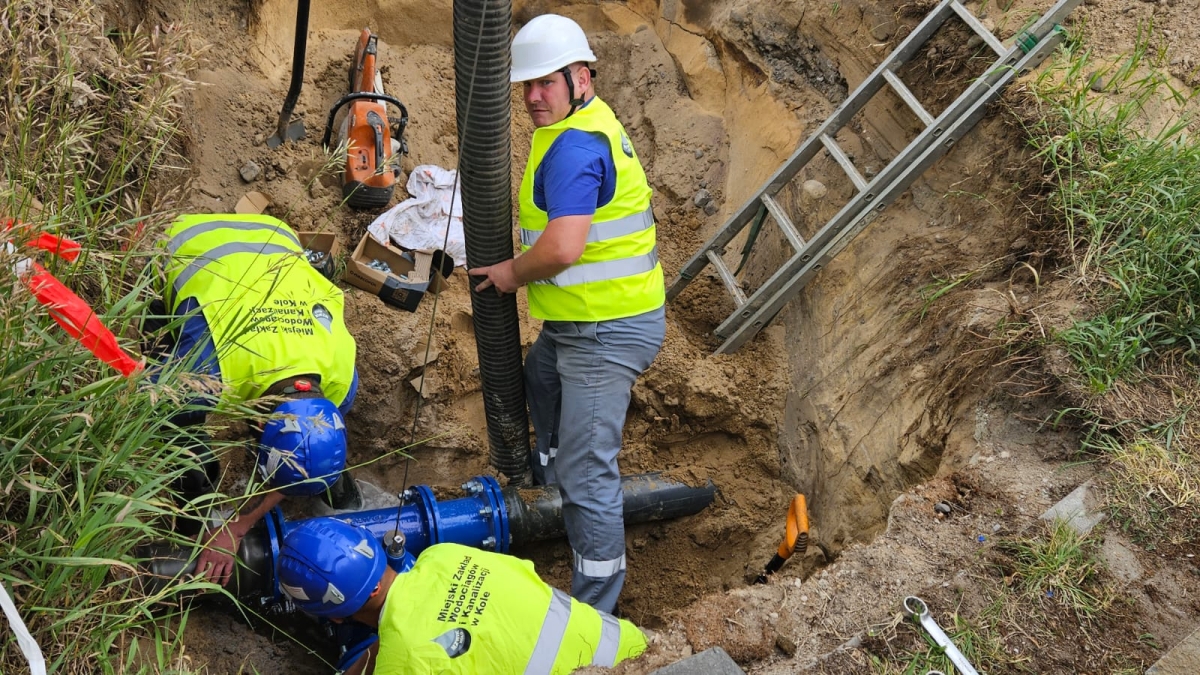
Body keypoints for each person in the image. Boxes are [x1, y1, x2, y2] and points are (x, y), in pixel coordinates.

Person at [468, 14, 665, 614]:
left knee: (590, 476)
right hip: (583, 323)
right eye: (525, 87)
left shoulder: (576, 146)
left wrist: (509, 272)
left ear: (581, 77)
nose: (532, 97)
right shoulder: (582, 123)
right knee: (539, 378)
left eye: (545, 84)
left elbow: (561, 249)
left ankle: (595, 608)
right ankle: (551, 488)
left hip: (606, 333)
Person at [156, 213, 362, 587]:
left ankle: (321, 470)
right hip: (189, 238)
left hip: (276, 232)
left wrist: (240, 524)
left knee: (305, 450)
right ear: (256, 423)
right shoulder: (208, 374)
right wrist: (211, 523)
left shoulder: (342, 378)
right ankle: (195, 491)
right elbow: (152, 402)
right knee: (179, 427)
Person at [276, 517, 647, 675]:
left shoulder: (404, 662)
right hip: (645, 651)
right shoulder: (446, 554)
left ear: (335, 617)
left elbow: (411, 649)